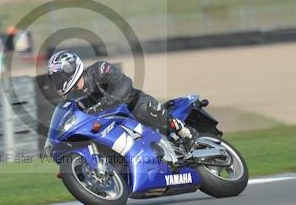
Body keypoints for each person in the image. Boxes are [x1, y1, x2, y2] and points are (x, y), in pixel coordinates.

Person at [47, 50, 192, 143]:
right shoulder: (74, 98)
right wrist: (52, 139)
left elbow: (125, 83)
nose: (58, 81)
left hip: (131, 105)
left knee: (144, 108)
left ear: (69, 68)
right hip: (110, 122)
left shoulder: (99, 69)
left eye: (59, 76)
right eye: (55, 79)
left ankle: (184, 131)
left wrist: (105, 102)